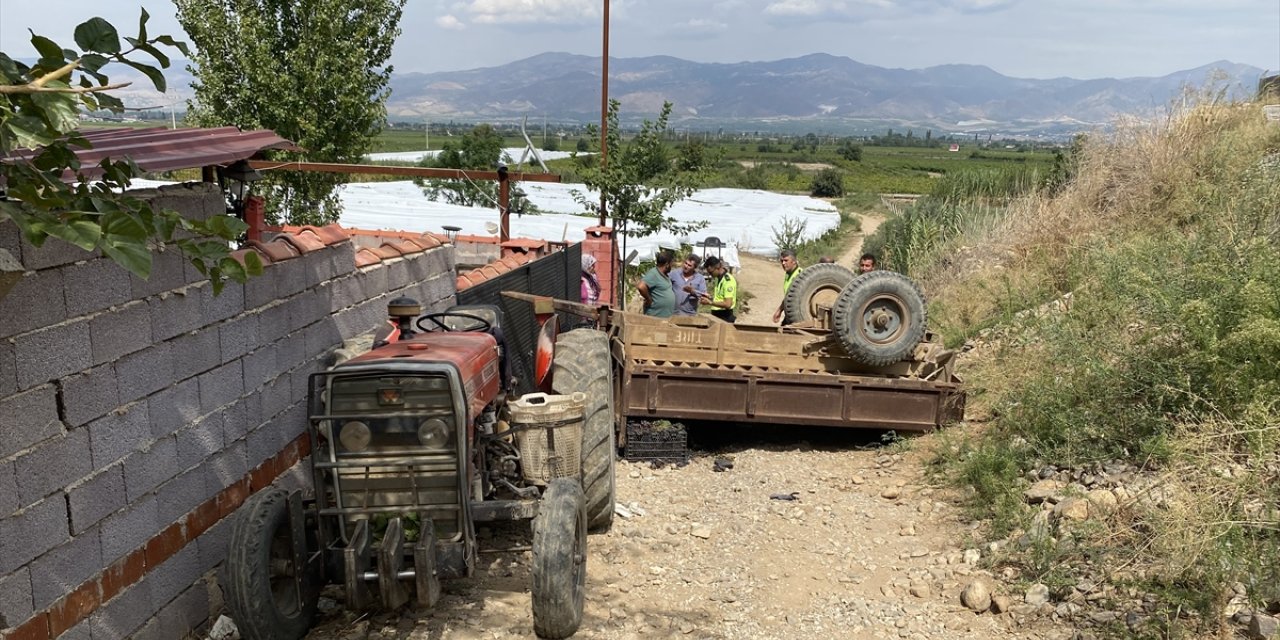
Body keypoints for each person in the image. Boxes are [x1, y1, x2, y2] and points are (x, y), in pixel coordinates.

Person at [637, 250, 676, 318]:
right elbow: (641, 286)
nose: (671, 266)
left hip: (664, 317)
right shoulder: (654, 273)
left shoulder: (664, 275)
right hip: (655, 317)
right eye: (671, 264)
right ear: (667, 265)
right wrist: (649, 299)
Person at [699, 256, 737, 323]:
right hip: (716, 314)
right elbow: (720, 298)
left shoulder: (728, 281)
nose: (710, 275)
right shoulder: (718, 278)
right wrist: (710, 298)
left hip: (725, 316)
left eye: (711, 272)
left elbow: (728, 304)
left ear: (717, 267)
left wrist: (709, 302)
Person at [772, 249, 803, 324]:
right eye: (781, 261)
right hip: (790, 313)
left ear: (794, 261)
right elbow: (788, 296)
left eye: (786, 260)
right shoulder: (788, 274)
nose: (783, 263)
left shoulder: (800, 276)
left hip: (798, 316)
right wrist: (779, 311)